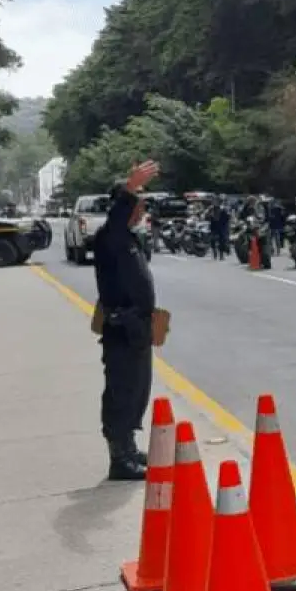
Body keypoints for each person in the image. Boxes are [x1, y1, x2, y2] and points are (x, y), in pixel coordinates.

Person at [93, 160, 160, 481]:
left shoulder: (129, 238)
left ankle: (129, 447)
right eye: (137, 204)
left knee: (138, 389)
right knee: (122, 391)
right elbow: (119, 217)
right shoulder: (111, 235)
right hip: (121, 328)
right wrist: (130, 189)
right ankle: (119, 458)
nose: (141, 209)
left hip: (138, 328)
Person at [208, 196, 231, 260]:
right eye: (214, 201)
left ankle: (221, 255)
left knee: (222, 240)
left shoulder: (223, 209)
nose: (215, 202)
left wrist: (226, 219)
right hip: (213, 226)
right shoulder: (211, 209)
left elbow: (227, 217)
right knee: (212, 240)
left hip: (221, 226)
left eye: (216, 201)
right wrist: (209, 216)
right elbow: (206, 216)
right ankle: (214, 252)